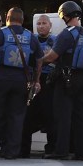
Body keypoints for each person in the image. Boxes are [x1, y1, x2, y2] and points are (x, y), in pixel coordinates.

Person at [0, 7, 42, 160]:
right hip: (21, 81)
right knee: (16, 117)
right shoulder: (31, 36)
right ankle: (11, 152)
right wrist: (36, 80)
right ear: (22, 20)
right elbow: (39, 60)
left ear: (7, 18)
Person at [41, 0, 83, 160]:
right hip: (82, 78)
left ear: (64, 16)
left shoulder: (66, 34)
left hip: (66, 78)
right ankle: (81, 152)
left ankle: (61, 151)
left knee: (63, 115)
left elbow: (53, 56)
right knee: (79, 116)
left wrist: (40, 60)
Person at [32, 14, 56, 156]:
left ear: (50, 25)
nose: (41, 26)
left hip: (49, 80)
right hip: (34, 79)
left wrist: (41, 60)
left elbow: (55, 58)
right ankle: (23, 148)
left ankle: (51, 148)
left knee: (50, 116)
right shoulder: (32, 40)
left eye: (44, 23)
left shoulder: (55, 41)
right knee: (30, 115)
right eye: (39, 23)